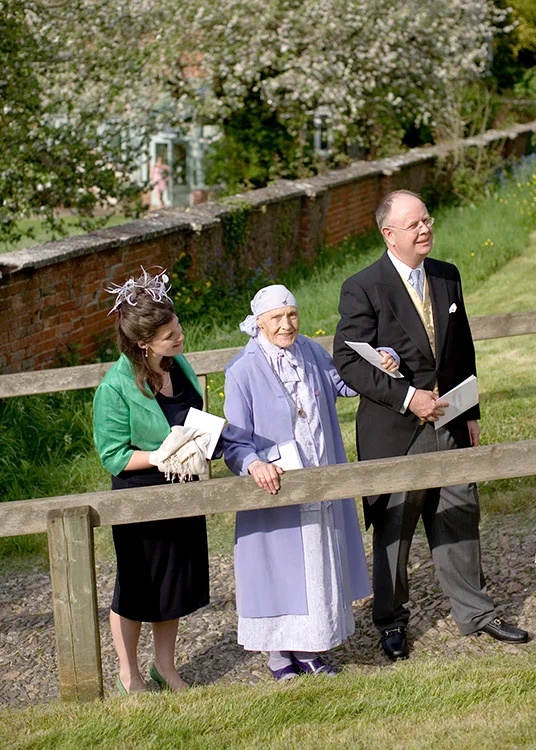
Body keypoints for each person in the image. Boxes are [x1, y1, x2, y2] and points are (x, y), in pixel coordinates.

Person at [333, 189, 529, 661]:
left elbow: (461, 347)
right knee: (395, 528)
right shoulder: (363, 286)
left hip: (451, 422)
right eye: (414, 224)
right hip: (395, 431)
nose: (425, 229)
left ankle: (476, 613)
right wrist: (407, 397)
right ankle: (390, 621)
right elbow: (348, 361)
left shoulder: (446, 274)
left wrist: (471, 412)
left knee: (460, 512)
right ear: (389, 234)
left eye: (427, 220)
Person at [223, 284, 399, 680]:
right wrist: (253, 463)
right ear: (259, 322)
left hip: (319, 478)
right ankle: (278, 657)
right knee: (278, 569)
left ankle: (309, 649)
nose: (287, 325)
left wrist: (380, 362)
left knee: (316, 561)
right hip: (276, 484)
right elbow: (234, 439)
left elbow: (344, 384)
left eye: (292, 315)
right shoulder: (241, 370)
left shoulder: (311, 352)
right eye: (277, 318)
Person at [93, 268, 210, 694]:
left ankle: (165, 667)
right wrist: (158, 456)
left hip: (181, 489)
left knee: (173, 582)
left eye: (177, 328)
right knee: (136, 586)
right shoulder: (114, 387)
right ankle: (129, 675)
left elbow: (191, 414)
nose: (180, 338)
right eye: (169, 335)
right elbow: (112, 454)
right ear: (143, 343)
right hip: (138, 498)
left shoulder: (178, 364)